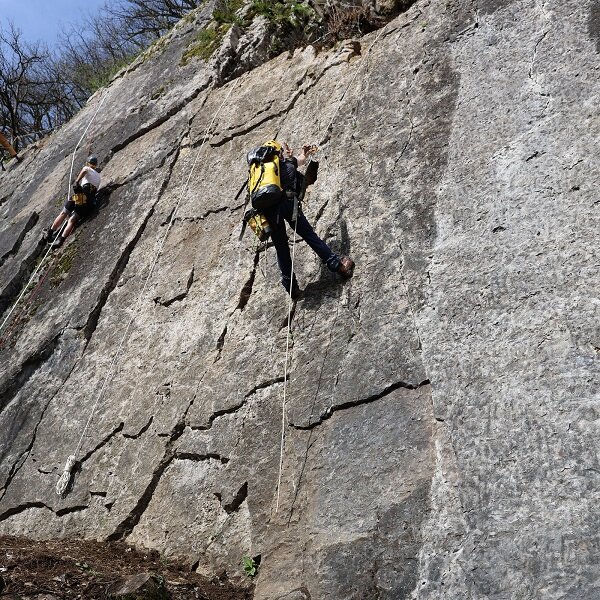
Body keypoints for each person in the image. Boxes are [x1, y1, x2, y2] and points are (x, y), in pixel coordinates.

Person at [259, 140, 354, 299]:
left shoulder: (260, 173)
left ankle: (292, 289)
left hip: (269, 212)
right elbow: (295, 165)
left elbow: (295, 162)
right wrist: (298, 156)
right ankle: (338, 266)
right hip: (287, 205)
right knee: (309, 235)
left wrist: (299, 155)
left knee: (281, 250)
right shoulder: (285, 166)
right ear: (278, 154)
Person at [44, 156, 101, 249]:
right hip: (89, 201)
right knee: (72, 219)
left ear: (88, 163)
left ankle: (49, 232)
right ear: (96, 165)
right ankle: (60, 240)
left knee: (64, 213)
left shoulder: (87, 168)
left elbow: (84, 171)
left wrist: (77, 181)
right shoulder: (99, 176)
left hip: (80, 196)